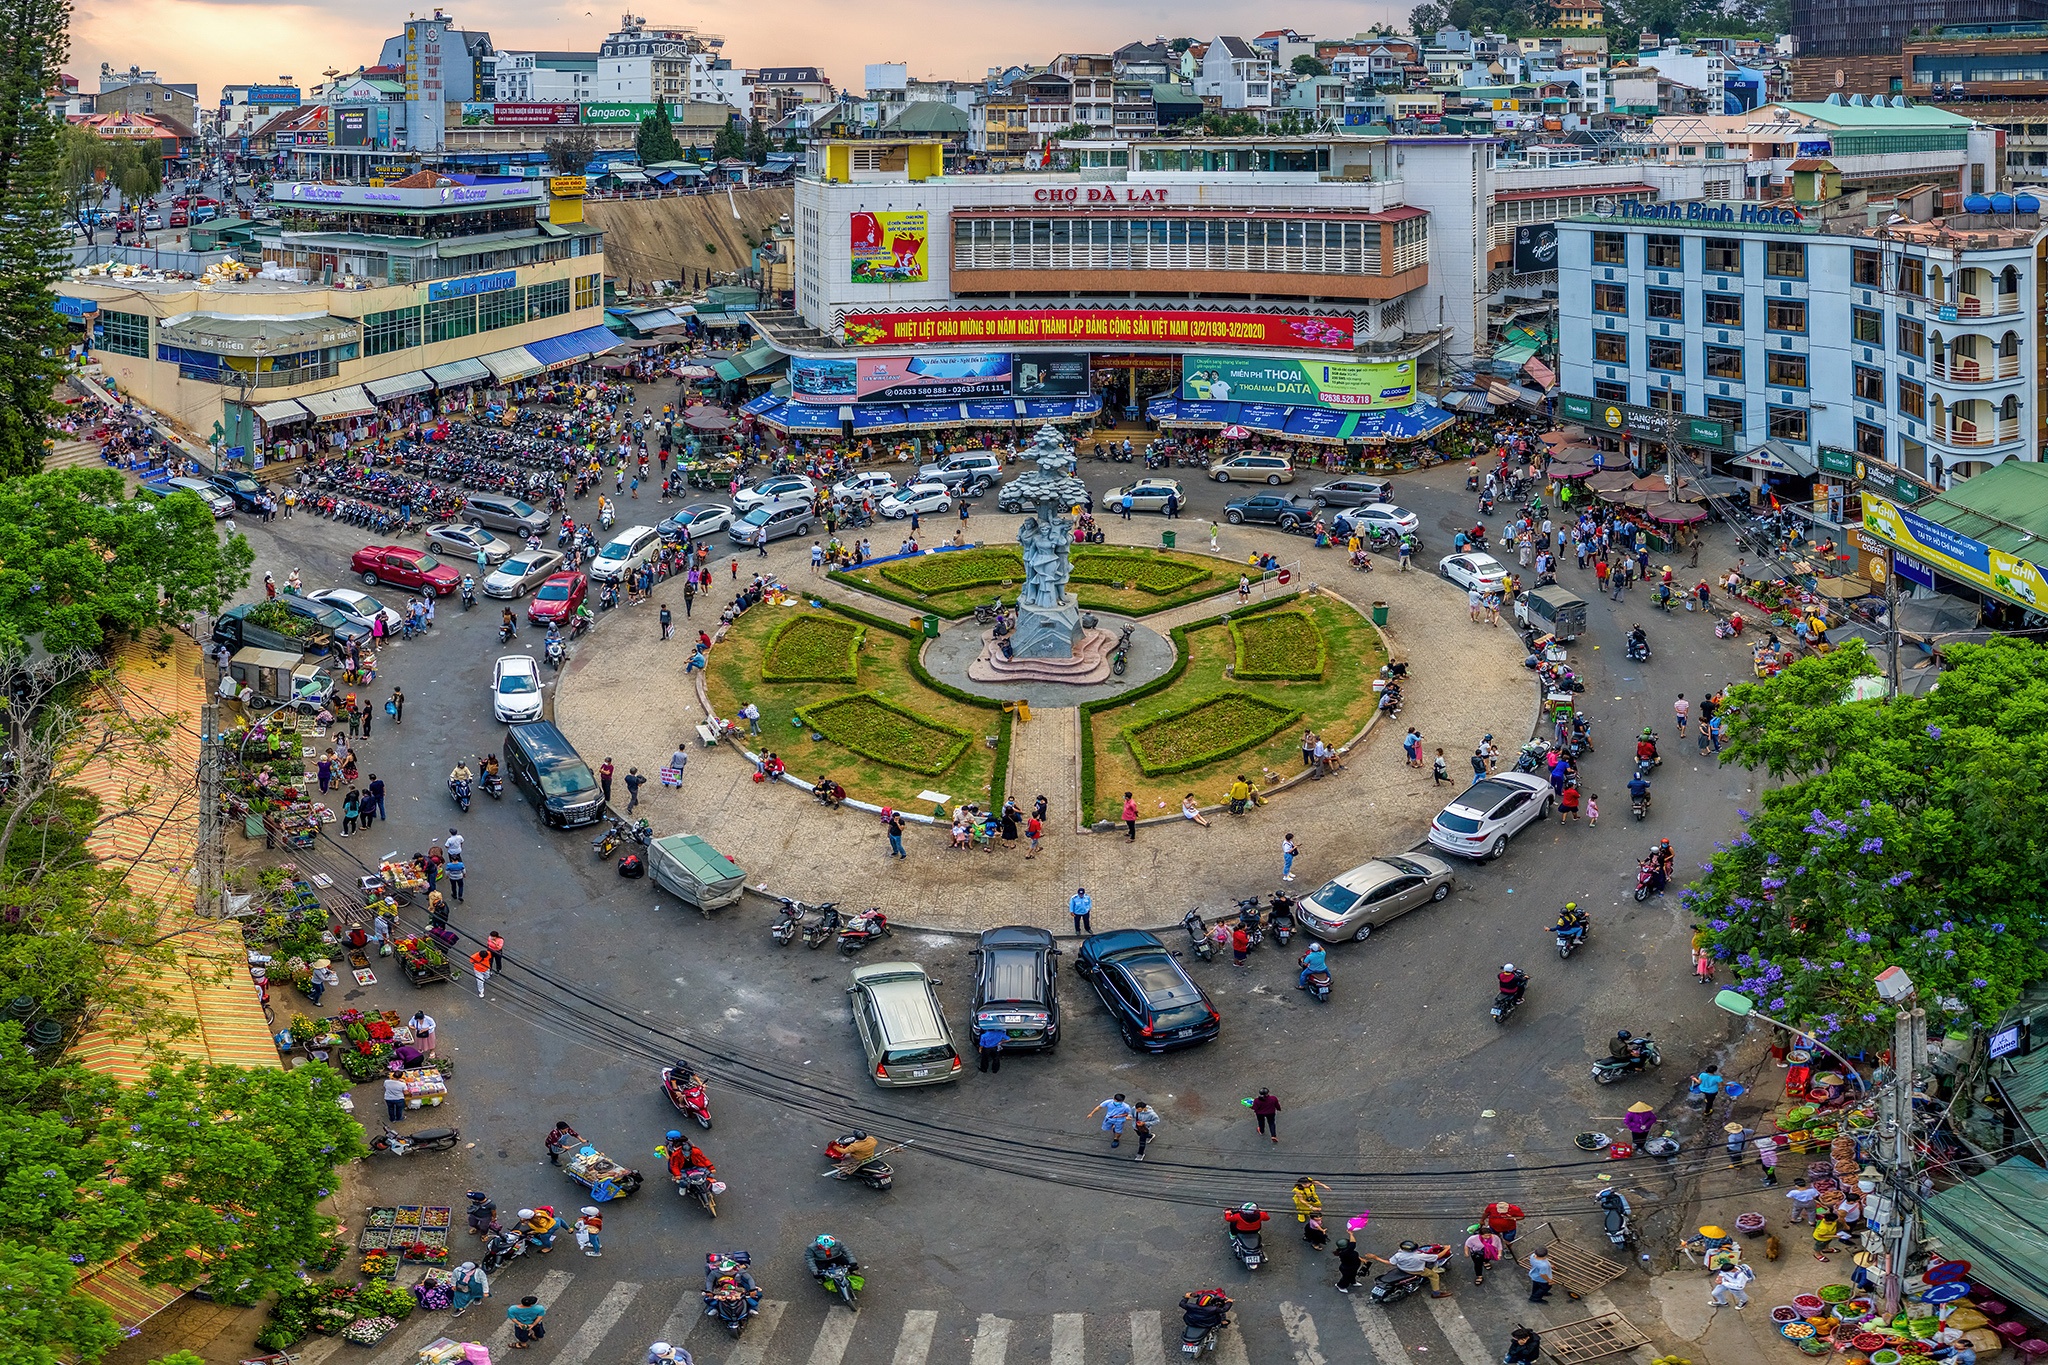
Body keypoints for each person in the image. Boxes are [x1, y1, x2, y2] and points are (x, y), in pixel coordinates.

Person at [1367, 1240, 1450, 1298]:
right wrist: (1446, 1249)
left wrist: (1375, 1257)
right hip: (1417, 1271)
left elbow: (1390, 1263)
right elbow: (1437, 1257)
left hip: (1402, 1268)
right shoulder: (1420, 1256)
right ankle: (1436, 1293)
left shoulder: (1399, 1255)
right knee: (1434, 1276)